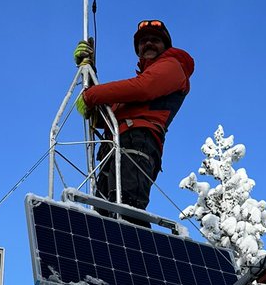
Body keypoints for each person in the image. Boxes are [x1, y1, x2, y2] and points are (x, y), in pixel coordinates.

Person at [74, 19, 194, 210]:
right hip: (115, 147)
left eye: (155, 40)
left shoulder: (172, 66)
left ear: (165, 46)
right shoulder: (134, 90)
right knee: (106, 214)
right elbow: (103, 118)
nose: (148, 43)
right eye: (143, 41)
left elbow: (144, 88)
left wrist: (92, 95)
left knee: (127, 211)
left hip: (138, 142)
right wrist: (88, 71)